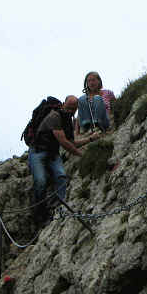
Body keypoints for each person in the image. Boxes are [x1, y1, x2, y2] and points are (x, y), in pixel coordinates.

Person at [29, 95, 100, 224]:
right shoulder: (54, 117)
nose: (70, 110)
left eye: (73, 109)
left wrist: (90, 139)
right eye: (69, 107)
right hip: (37, 151)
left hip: (52, 154)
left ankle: (58, 208)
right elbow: (64, 143)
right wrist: (81, 154)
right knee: (40, 181)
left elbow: (72, 142)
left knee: (61, 176)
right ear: (63, 104)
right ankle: (39, 214)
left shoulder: (68, 122)